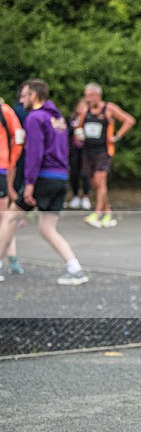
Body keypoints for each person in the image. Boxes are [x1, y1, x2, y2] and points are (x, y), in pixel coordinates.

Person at [0, 79, 88, 285]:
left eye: (24, 96)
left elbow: (34, 154)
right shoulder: (58, 119)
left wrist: (29, 183)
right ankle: (75, 268)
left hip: (43, 178)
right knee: (47, 228)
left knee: (9, 218)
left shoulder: (35, 118)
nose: (21, 101)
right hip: (60, 178)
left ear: (34, 95)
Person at [76, 82, 136, 228]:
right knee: (95, 183)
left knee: (100, 179)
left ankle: (97, 214)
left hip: (104, 151)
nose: (88, 98)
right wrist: (79, 134)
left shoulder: (108, 108)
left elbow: (129, 120)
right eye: (86, 95)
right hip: (89, 151)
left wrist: (117, 136)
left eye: (90, 95)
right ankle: (108, 213)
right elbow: (79, 126)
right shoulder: (86, 111)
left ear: (98, 95)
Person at [0, 97, 24, 279]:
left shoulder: (4, 110)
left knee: (4, 216)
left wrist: (10, 162)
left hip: (1, 167)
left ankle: (11, 257)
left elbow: (18, 136)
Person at [67, 98, 91, 210]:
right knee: (74, 173)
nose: (81, 109)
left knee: (86, 173)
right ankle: (75, 195)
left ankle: (86, 196)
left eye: (83, 106)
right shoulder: (71, 118)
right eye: (79, 106)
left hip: (86, 150)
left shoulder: (90, 119)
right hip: (74, 150)